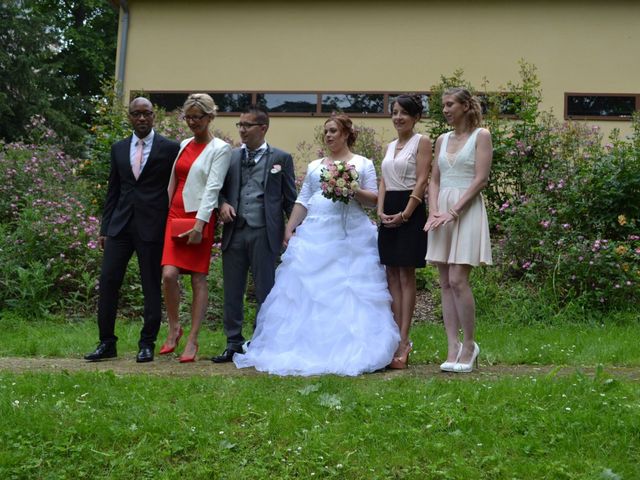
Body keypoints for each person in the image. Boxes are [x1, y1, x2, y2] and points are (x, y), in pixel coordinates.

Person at [234, 114, 400, 376]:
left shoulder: (362, 163)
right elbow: (304, 199)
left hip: (351, 235)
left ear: (346, 133)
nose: (329, 136)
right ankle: (306, 346)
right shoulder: (314, 166)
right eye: (326, 132)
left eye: (334, 131)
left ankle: (354, 347)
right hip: (317, 232)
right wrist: (290, 228)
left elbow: (373, 199)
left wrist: (350, 188)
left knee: (350, 290)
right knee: (307, 291)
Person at [84, 98, 180, 363]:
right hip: (119, 226)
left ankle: (146, 343)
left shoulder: (170, 148)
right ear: (129, 117)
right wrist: (105, 228)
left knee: (150, 284)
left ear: (153, 116)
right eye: (136, 114)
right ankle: (106, 343)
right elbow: (113, 189)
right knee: (108, 282)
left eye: (146, 114)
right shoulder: (118, 148)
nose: (141, 119)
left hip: (153, 227)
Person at [211, 105, 297, 363]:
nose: (242, 130)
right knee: (232, 290)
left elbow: (290, 199)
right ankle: (233, 342)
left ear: (263, 128)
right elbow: (218, 189)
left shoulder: (281, 158)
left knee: (266, 291)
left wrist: (292, 230)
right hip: (234, 232)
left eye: (247, 125)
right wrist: (222, 204)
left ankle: (263, 342)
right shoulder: (231, 157)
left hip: (265, 232)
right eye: (240, 125)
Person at [158, 94, 231, 363]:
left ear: (210, 117)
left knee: (197, 278)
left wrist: (200, 224)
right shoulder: (184, 144)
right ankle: (175, 326)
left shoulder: (220, 149)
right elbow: (174, 180)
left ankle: (193, 339)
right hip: (174, 215)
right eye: (188, 117)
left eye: (197, 117)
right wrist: (162, 213)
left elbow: (213, 187)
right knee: (168, 274)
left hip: (199, 217)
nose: (192, 123)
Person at [424, 87, 493, 373]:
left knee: (458, 279)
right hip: (441, 212)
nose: (445, 110)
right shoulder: (441, 140)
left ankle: (470, 345)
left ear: (466, 106)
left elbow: (481, 179)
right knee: (443, 281)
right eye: (443, 106)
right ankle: (452, 345)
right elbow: (434, 179)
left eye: (450, 104)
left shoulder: (482, 136)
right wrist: (434, 211)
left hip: (466, 210)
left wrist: (454, 211)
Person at [377, 94, 432, 369]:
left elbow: (422, 179)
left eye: (404, 113)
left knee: (406, 274)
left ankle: (404, 341)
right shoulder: (389, 146)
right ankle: (392, 337)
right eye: (394, 112)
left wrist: (407, 213)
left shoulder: (421, 142)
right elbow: (384, 180)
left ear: (415, 117)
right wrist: (379, 209)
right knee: (391, 274)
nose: (398, 117)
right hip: (388, 209)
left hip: (410, 207)